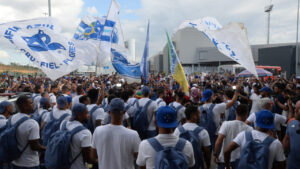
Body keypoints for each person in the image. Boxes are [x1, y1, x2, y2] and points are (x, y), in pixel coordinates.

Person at [92, 98, 141, 169]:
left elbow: (93, 156)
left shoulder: (98, 131)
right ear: (124, 112)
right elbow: (139, 159)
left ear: (109, 112)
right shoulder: (133, 134)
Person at [11, 95, 46, 169]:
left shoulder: (12, 118)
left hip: (15, 161)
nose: (33, 104)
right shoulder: (32, 123)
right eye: (31, 103)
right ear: (24, 105)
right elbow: (34, 146)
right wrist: (46, 148)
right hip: (29, 163)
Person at [214, 104, 252, 169]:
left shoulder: (226, 124)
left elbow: (219, 141)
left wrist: (215, 154)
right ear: (246, 115)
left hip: (224, 160)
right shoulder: (250, 129)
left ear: (235, 112)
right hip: (240, 162)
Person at [174, 105, 211, 169]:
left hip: (181, 164)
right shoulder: (203, 132)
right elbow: (207, 151)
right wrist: (208, 165)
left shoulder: (178, 130)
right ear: (194, 116)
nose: (200, 115)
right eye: (199, 113)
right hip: (197, 164)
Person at [61, 103, 97, 169]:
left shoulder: (64, 124)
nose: (89, 116)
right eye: (86, 113)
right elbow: (87, 158)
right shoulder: (85, 133)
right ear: (79, 115)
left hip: (64, 165)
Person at [283, 100, 300, 169]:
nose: (295, 110)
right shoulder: (291, 123)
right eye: (295, 108)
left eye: (299, 109)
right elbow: (286, 142)